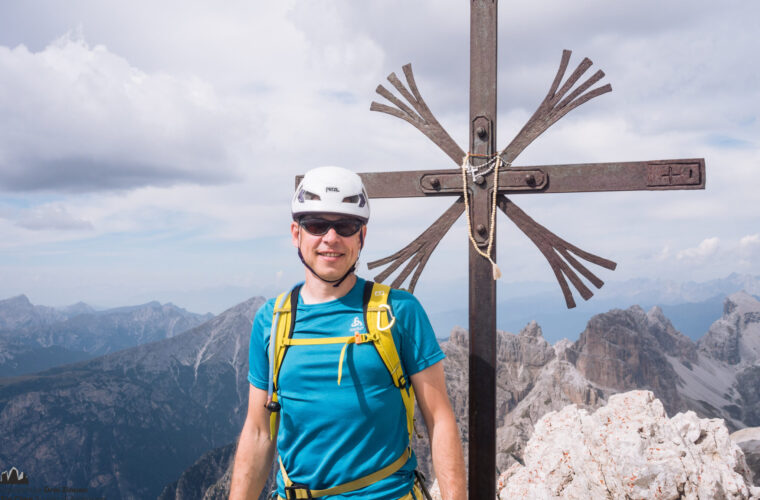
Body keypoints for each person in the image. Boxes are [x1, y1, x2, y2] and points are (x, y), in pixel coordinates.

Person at [229, 166, 466, 500]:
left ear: (361, 237)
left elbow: (439, 418)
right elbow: (257, 433)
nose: (331, 238)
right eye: (316, 225)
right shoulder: (271, 320)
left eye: (345, 225)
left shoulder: (398, 311)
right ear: (296, 234)